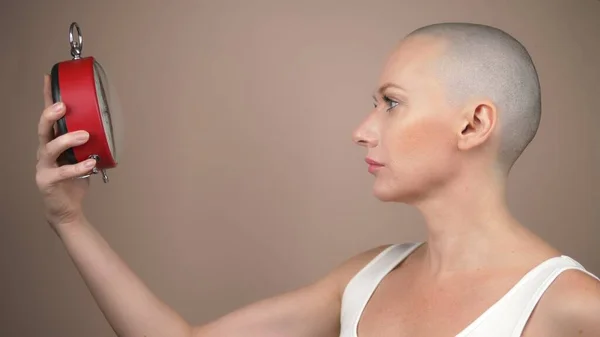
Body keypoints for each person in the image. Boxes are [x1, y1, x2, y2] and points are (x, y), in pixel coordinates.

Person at [35, 22, 600, 337]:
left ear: (474, 123)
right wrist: (70, 220)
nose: (362, 130)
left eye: (392, 104)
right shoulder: (364, 278)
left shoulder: (574, 307)